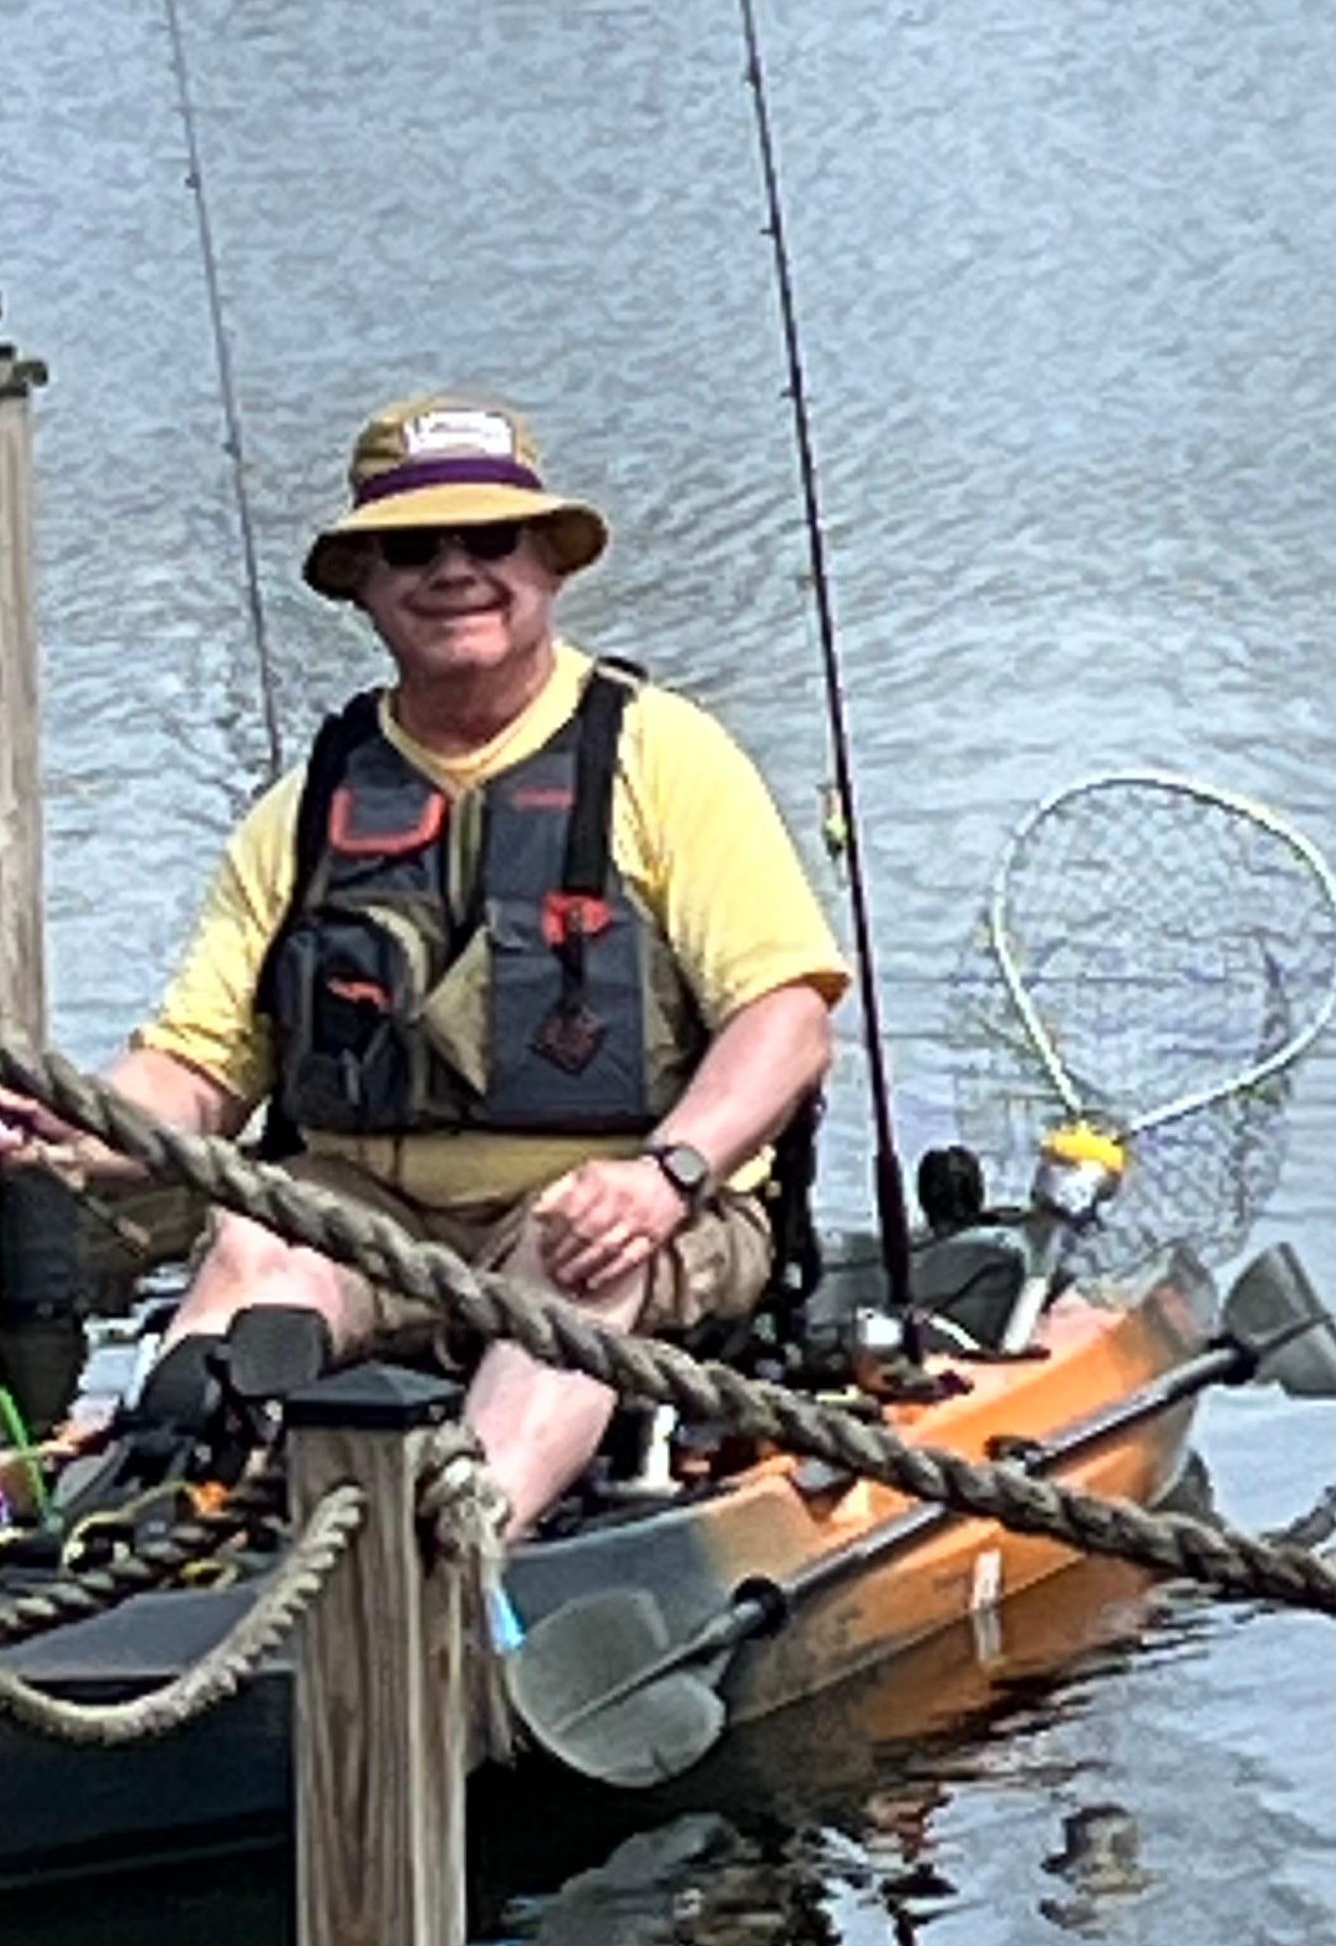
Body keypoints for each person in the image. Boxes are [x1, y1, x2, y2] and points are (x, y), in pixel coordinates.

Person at [82, 394, 845, 1538]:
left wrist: (667, 1176)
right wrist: (72, 1124)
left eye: (491, 541)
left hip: (627, 1201)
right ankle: (143, 1526)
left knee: (569, 1253)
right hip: (374, 1214)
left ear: (546, 563)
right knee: (252, 1242)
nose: (456, 571)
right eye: (413, 548)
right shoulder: (305, 811)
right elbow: (196, 1072)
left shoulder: (665, 758)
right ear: (363, 583)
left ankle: (454, 1552)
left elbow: (786, 1019)